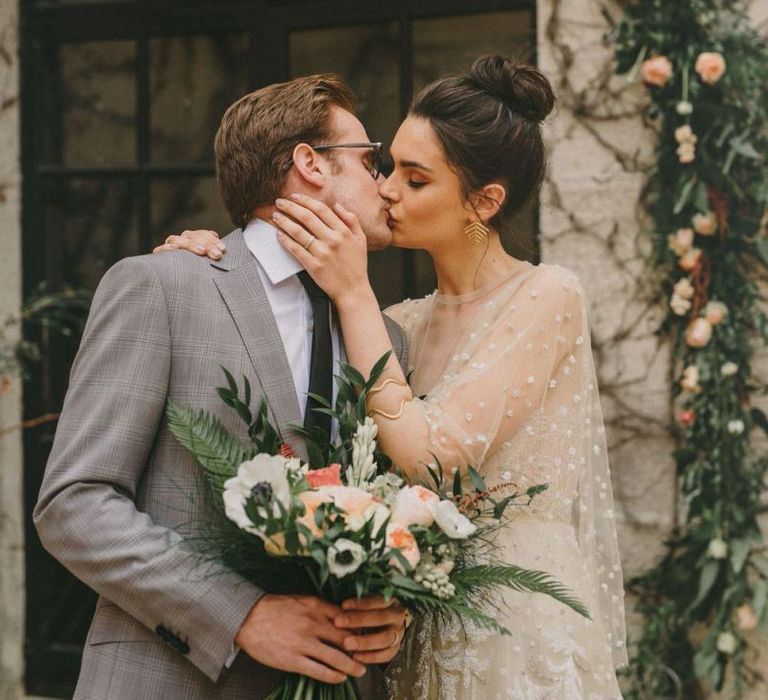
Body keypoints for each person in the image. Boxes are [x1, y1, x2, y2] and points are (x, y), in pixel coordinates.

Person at [168, 56, 628, 699]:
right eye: (386, 167)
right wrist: (210, 259)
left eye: (415, 179)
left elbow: (430, 464)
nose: (384, 190)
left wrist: (355, 294)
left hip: (512, 630)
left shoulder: (547, 296)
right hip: (408, 632)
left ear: (484, 202)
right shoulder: (396, 326)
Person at [33, 75, 407, 700]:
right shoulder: (163, 287)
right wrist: (241, 614)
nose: (384, 183)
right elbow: (73, 503)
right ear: (309, 163)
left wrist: (389, 605)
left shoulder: (388, 335)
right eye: (370, 160)